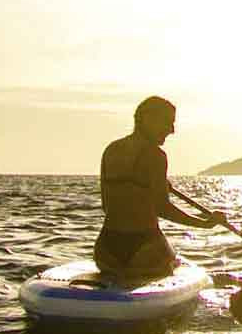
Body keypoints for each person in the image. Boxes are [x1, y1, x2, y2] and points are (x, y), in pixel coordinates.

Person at [94, 96, 225, 282]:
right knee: (174, 261)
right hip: (144, 250)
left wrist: (153, 186)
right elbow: (162, 208)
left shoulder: (111, 150)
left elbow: (107, 206)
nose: (172, 130)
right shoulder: (155, 155)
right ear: (148, 119)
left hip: (106, 250)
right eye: (168, 122)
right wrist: (205, 223)